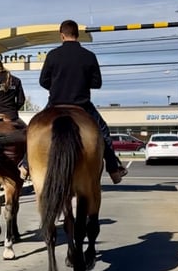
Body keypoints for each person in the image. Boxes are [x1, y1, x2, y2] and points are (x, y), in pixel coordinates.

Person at [20, 19, 127, 184]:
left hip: (55, 103)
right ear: (77, 35)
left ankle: (25, 165)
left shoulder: (53, 55)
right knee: (103, 131)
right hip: (82, 104)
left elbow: (43, 81)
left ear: (62, 35)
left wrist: (55, 86)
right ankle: (113, 169)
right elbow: (97, 83)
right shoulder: (89, 56)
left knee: (34, 129)